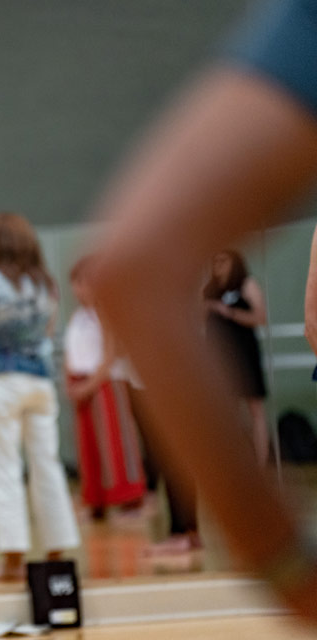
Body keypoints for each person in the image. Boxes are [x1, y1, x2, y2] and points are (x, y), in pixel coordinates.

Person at [88, 0, 317, 620]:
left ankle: (194, 528)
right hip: (190, 368)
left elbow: (136, 272)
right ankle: (184, 526)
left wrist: (288, 569)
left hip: (224, 363)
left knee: (248, 423)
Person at [0, 212, 80, 582]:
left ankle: (12, 560)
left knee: (4, 469)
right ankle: (57, 549)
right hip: (40, 381)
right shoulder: (46, 285)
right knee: (48, 465)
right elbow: (47, 334)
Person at [63, 257, 145, 520]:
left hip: (106, 383)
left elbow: (111, 354)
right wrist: (71, 383)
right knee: (89, 446)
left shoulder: (108, 314)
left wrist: (90, 385)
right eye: (75, 283)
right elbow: (70, 353)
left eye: (84, 282)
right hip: (82, 385)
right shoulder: (77, 318)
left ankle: (128, 499)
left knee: (115, 444)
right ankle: (96, 502)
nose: (79, 289)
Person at [203, 250, 271, 466]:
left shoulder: (246, 285)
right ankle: (233, 463)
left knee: (255, 409)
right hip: (219, 356)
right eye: (215, 260)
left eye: (223, 260)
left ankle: (260, 464)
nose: (218, 265)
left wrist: (229, 312)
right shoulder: (209, 289)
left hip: (244, 353)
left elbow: (260, 317)